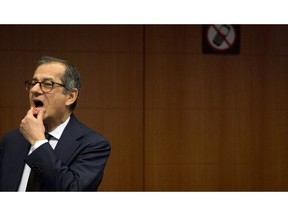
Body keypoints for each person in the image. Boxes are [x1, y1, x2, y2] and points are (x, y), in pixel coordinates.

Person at [0, 56, 111, 191]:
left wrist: (38, 143)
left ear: (70, 96)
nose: (34, 90)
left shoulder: (93, 145)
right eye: (33, 83)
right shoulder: (11, 141)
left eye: (47, 84)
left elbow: (73, 193)